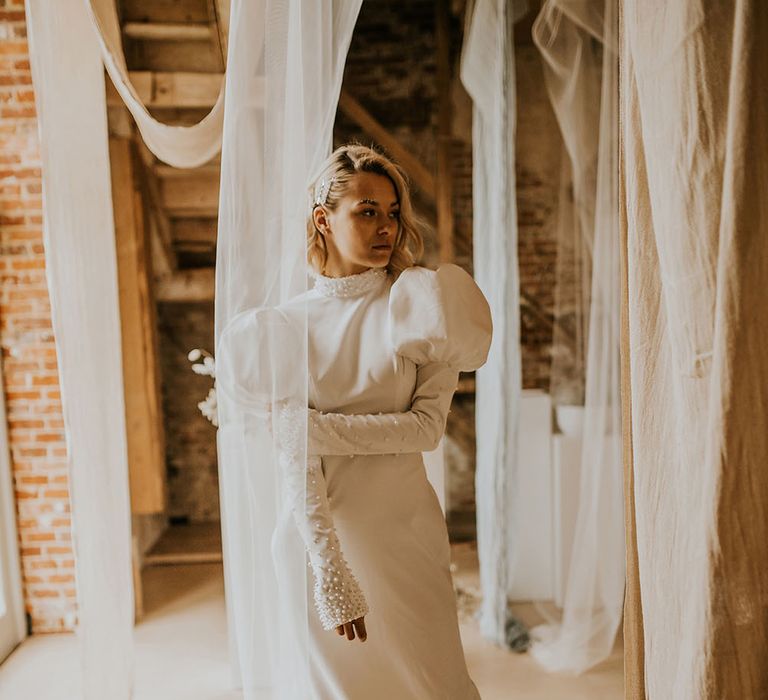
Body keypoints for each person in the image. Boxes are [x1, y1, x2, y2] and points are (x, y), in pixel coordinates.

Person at [286, 143, 492, 698]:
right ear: (324, 220)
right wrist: (330, 571)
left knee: (436, 681)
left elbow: (425, 428)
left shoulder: (425, 303)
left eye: (393, 211)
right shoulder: (282, 327)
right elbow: (294, 462)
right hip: (321, 538)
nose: (386, 227)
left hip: (404, 530)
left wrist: (313, 430)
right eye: (367, 211)